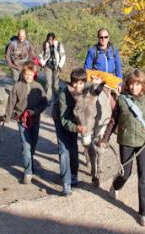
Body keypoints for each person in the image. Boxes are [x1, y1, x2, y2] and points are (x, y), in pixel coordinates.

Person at [98, 69, 145, 228]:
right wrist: (105, 139)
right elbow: (113, 121)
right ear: (127, 85)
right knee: (125, 173)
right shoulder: (121, 100)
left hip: (143, 143)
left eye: (137, 84)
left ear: (142, 85)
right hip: (125, 141)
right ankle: (116, 185)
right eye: (131, 84)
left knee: (143, 177)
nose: (134, 87)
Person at [5, 61, 48, 184]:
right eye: (26, 74)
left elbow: (44, 102)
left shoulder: (38, 87)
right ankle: (28, 172)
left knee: (32, 146)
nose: (28, 77)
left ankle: (30, 164)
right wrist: (7, 116)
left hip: (35, 120)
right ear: (22, 74)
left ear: (34, 74)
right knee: (26, 146)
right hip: (21, 121)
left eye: (30, 74)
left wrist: (35, 112)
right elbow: (11, 102)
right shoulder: (17, 86)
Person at [51, 68, 88, 196]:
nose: (78, 86)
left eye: (81, 83)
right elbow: (63, 119)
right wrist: (76, 128)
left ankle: (73, 174)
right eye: (75, 83)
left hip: (75, 123)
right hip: (61, 121)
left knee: (73, 148)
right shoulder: (63, 95)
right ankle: (66, 183)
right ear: (71, 82)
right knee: (63, 151)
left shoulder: (86, 91)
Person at [39, 32, 66, 101]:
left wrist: (60, 65)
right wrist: (42, 63)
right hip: (48, 66)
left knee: (56, 85)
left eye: (51, 40)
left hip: (56, 67)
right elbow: (41, 55)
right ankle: (48, 99)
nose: (50, 41)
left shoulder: (59, 45)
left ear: (54, 39)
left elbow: (63, 56)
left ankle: (56, 99)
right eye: (48, 40)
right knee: (48, 83)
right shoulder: (45, 45)